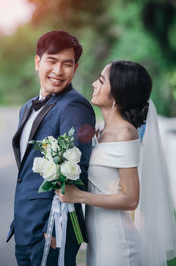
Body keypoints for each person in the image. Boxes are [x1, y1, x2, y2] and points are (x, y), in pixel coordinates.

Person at [57, 60, 176, 266]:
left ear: (117, 95)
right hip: (97, 240)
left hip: (117, 246)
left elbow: (130, 199)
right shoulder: (100, 130)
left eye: (102, 81)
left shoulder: (125, 133)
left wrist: (79, 196)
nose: (94, 83)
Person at [6, 30, 95, 266]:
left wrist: (56, 230)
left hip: (53, 233)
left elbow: (78, 168)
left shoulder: (75, 106)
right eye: (52, 61)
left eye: (67, 64)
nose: (58, 71)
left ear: (75, 69)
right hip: (26, 227)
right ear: (37, 62)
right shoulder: (26, 107)